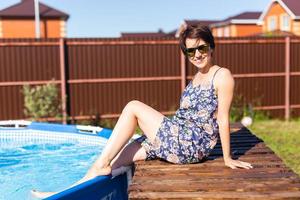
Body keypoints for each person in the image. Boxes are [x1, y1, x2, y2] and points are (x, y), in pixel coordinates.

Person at [31, 24, 253, 198]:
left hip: (192, 144)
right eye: (190, 50)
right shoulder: (196, 77)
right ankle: (64, 194)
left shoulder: (221, 75)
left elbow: (222, 118)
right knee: (115, 158)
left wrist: (227, 158)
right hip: (178, 135)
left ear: (211, 47)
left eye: (201, 48)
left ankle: (95, 170)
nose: (196, 54)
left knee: (133, 107)